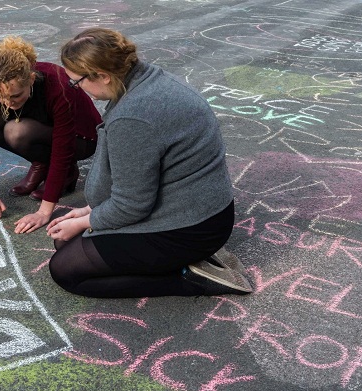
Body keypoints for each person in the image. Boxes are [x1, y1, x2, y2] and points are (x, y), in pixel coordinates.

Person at [45, 28, 253, 298]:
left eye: (77, 82)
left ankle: (190, 280)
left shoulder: (133, 117)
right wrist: (88, 211)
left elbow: (131, 205)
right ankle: (193, 258)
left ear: (104, 76)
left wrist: (89, 221)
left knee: (66, 270)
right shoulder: (149, 79)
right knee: (66, 241)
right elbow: (136, 179)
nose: (78, 89)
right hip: (202, 212)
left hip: (189, 228)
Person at [0, 36, 102, 234]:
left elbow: (62, 150)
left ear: (31, 79)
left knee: (17, 131)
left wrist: (44, 212)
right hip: (41, 128)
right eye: (0, 97)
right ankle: (40, 162)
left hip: (82, 138)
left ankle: (68, 173)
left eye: (15, 95)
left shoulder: (57, 86)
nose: (8, 103)